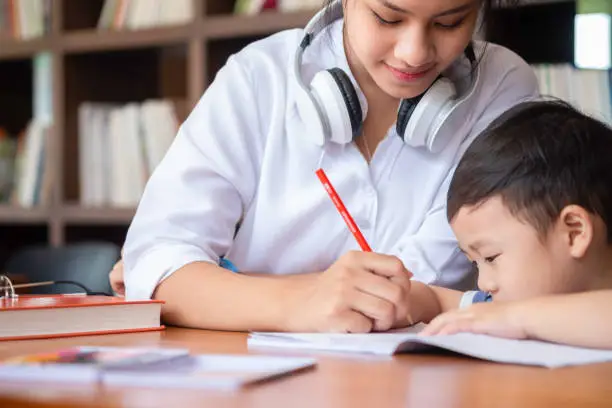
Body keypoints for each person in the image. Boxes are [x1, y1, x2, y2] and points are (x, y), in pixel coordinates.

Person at [115, 0, 539, 333]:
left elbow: (404, 295)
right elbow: (156, 264)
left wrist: (227, 290)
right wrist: (297, 303)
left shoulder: (501, 86)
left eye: (449, 23)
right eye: (387, 17)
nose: (414, 53)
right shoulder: (258, 78)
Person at [406, 100, 612, 349]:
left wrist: (514, 318)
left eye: (491, 257)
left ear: (574, 232)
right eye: (475, 263)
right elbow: (441, 303)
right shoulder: (513, 303)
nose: (483, 283)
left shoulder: (515, 313)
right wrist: (411, 298)